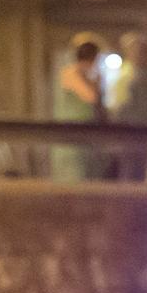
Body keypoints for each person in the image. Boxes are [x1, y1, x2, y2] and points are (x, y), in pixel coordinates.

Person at [109, 33, 147, 182]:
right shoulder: (128, 75)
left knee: (139, 175)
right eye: (142, 51)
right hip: (131, 135)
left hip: (141, 134)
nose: (146, 55)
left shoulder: (140, 74)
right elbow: (120, 109)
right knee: (131, 175)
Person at [50, 33, 106, 183]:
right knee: (73, 179)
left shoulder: (84, 75)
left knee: (87, 178)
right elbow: (90, 96)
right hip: (70, 137)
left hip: (84, 138)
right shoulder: (70, 73)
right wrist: (96, 82)